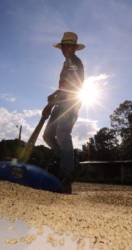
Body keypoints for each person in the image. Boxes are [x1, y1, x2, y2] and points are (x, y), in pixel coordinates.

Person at [43, 32, 85, 194]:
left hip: (71, 102)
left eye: (68, 45)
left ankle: (66, 175)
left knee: (62, 133)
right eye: (63, 46)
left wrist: (52, 100)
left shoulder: (75, 62)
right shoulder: (66, 63)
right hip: (61, 103)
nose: (64, 48)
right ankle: (66, 160)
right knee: (48, 135)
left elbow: (73, 85)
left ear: (74, 48)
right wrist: (53, 97)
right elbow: (63, 87)